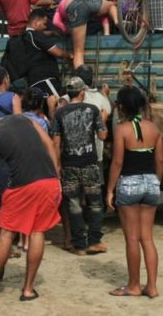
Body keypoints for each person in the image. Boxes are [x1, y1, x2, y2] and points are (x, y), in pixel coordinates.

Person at [0, 106, 62, 301]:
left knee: (6, 232)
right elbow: (49, 143)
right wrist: (55, 176)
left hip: (21, 186)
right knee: (38, 232)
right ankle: (28, 289)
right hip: (49, 182)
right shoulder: (24, 119)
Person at [106, 85, 163, 298]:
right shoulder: (154, 129)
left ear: (121, 107)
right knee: (147, 238)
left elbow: (118, 162)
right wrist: (156, 182)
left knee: (132, 238)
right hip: (151, 183)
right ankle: (153, 286)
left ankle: (133, 285)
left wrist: (110, 189)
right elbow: (159, 160)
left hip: (129, 184)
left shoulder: (121, 129)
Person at [51, 77, 108, 256]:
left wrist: (57, 166)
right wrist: (104, 120)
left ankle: (79, 245)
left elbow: (55, 143)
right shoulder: (92, 110)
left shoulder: (59, 114)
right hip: (90, 164)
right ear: (82, 93)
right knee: (95, 204)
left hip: (69, 165)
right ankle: (94, 241)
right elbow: (102, 136)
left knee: (73, 206)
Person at [0, 0, 54, 81]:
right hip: (28, 33)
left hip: (13, 35)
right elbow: (36, 0)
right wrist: (49, 1)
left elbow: (3, 11)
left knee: (17, 69)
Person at [52, 0, 119, 70]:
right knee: (110, 6)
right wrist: (106, 33)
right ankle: (118, 22)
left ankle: (81, 78)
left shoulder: (58, 9)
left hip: (73, 6)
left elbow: (55, 22)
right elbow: (103, 16)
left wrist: (67, 30)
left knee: (78, 53)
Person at [24, 9, 73, 115]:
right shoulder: (36, 35)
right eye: (44, 24)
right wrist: (69, 56)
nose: (45, 27)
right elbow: (58, 52)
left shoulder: (24, 37)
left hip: (33, 82)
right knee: (58, 109)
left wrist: (50, 33)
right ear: (36, 21)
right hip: (45, 81)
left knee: (41, 114)